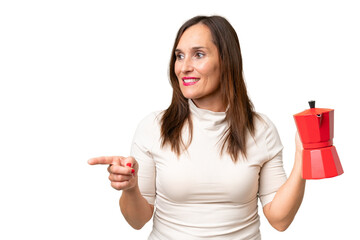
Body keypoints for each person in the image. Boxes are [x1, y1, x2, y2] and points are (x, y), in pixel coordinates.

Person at [88, 15, 306, 240]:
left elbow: (280, 220)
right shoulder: (154, 128)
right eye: (179, 56)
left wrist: (303, 154)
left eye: (198, 54)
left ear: (226, 60)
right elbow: (137, 220)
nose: (184, 67)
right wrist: (130, 187)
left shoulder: (260, 129)